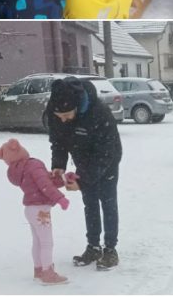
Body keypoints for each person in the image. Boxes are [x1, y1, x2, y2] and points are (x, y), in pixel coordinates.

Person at [45, 76, 122, 270]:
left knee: (107, 201)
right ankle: (93, 246)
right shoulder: (56, 112)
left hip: (107, 161)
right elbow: (58, 141)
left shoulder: (99, 113)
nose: (62, 119)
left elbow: (106, 153)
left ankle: (110, 249)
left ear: (77, 106)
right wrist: (59, 164)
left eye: (66, 115)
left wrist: (84, 179)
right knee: (90, 203)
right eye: (58, 116)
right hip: (83, 160)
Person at [0, 138, 71, 285]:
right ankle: (48, 273)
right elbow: (45, 184)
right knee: (47, 243)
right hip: (41, 210)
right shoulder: (33, 165)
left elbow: (45, 181)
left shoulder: (19, 170)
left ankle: (39, 270)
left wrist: (65, 179)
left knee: (38, 241)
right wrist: (60, 199)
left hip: (31, 209)